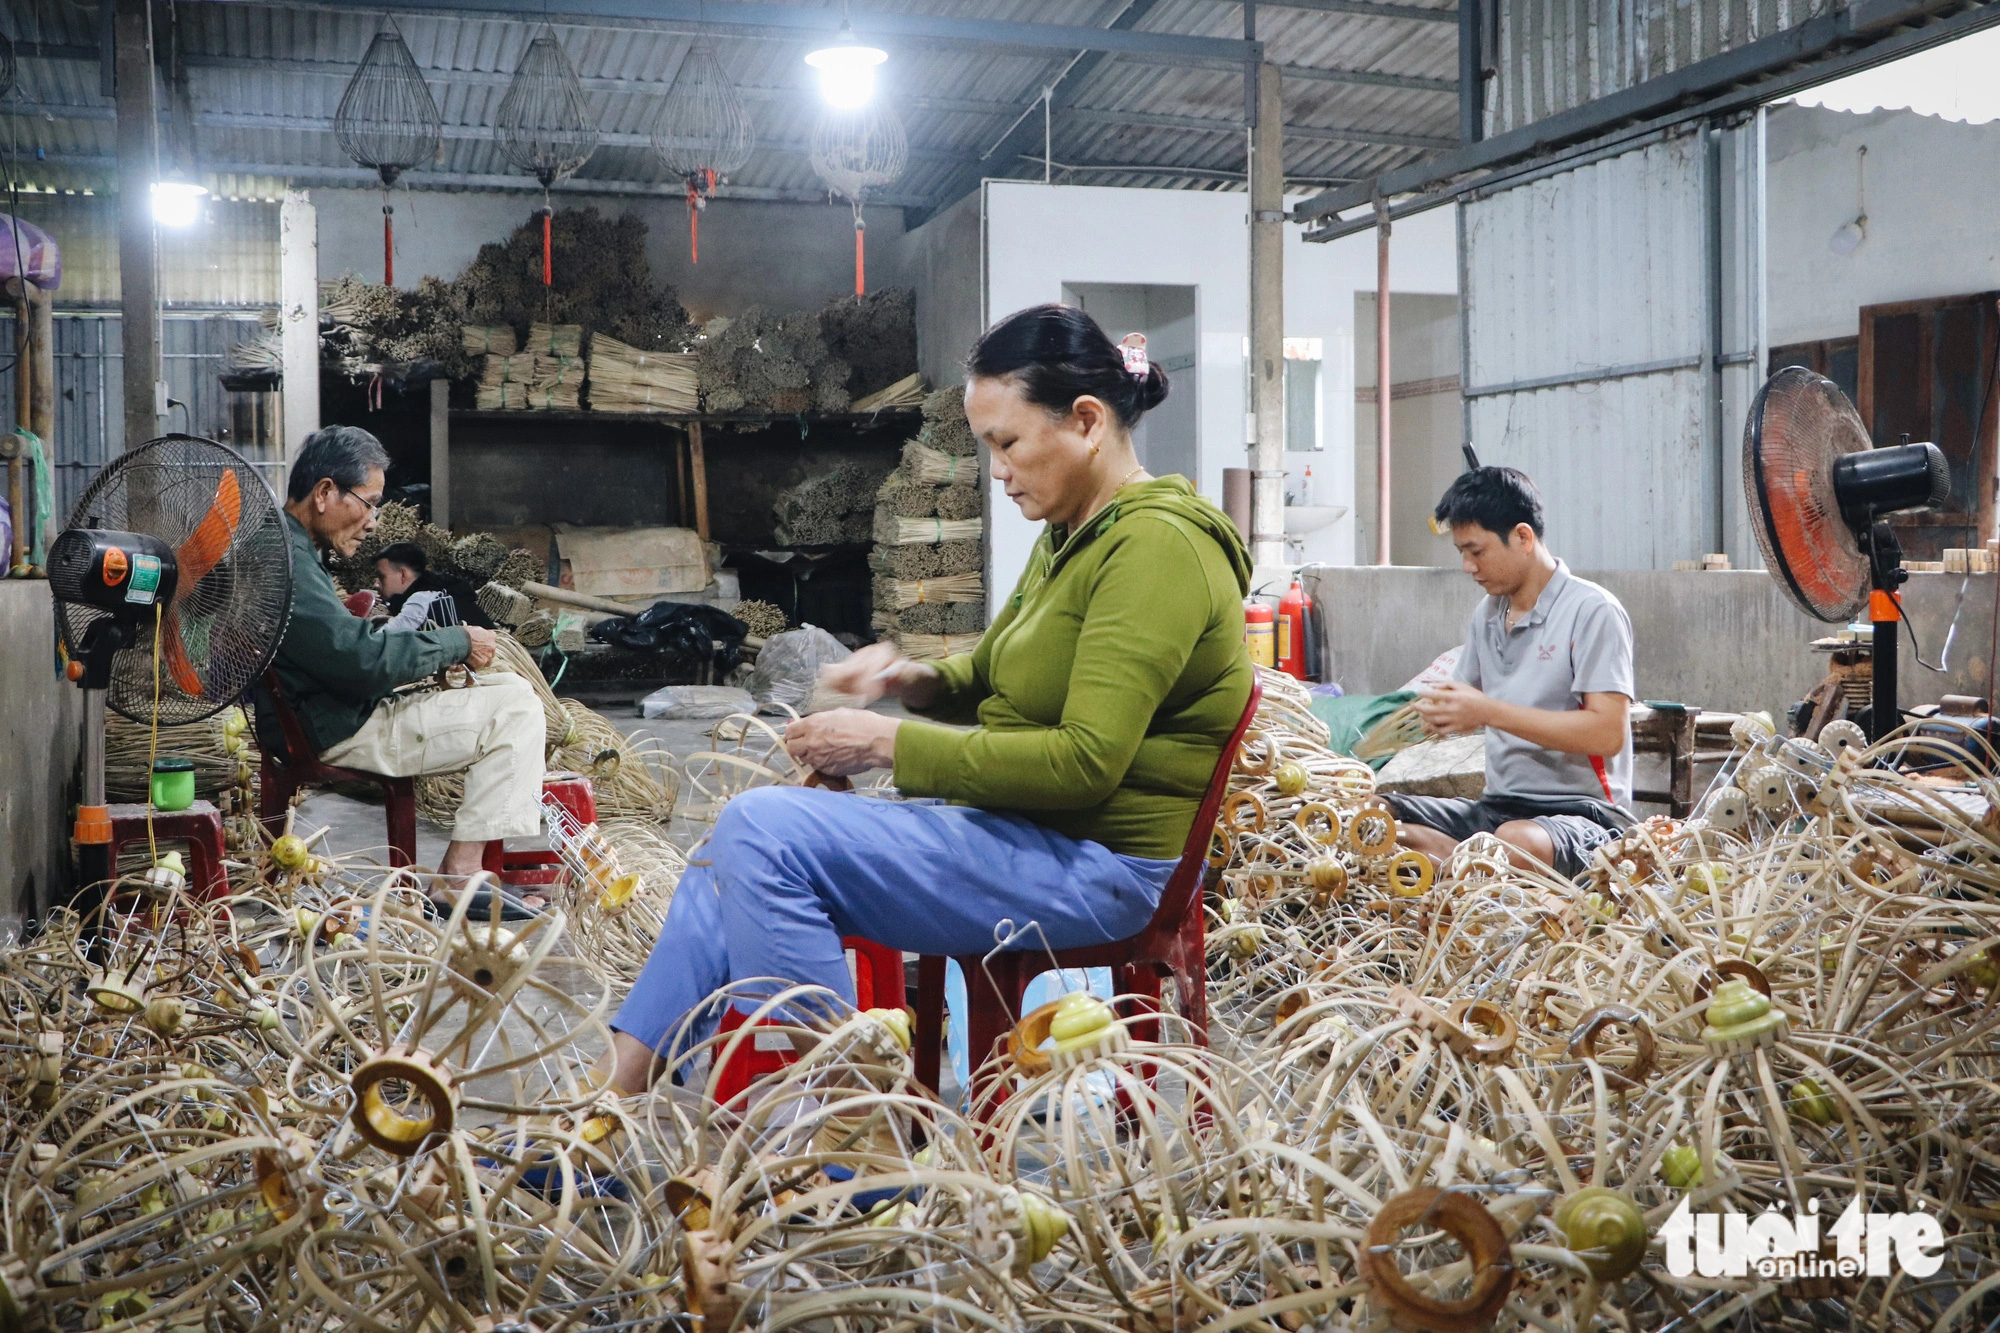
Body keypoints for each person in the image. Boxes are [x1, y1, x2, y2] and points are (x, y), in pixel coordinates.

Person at [604, 305, 1254, 1093]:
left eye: (1007, 444)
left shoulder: (1158, 547)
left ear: (1086, 420)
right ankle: (604, 1110)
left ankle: (843, 1140)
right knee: (725, 853)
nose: (1000, 471)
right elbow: (994, 676)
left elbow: (1084, 764)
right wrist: (906, 680)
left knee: (763, 831)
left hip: (1097, 867)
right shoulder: (1073, 535)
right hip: (1022, 837)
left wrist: (883, 743)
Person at [260, 425, 547, 915]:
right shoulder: (288, 563)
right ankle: (459, 875)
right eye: (368, 503)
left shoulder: (284, 547)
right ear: (326, 492)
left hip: (329, 713)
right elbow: (362, 663)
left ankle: (463, 871)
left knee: (505, 685)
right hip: (343, 728)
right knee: (518, 706)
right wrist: (457, 641)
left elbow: (342, 648)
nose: (373, 522)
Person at [1387, 466, 1635, 878]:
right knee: (1376, 819)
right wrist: (1436, 714)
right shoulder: (1488, 614)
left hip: (1581, 816)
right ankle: (1469, 865)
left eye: (1477, 551)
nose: (1468, 566)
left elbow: (1607, 734)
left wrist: (1487, 711)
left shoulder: (1592, 611)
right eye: (1461, 553)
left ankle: (1466, 865)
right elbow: (1463, 698)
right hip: (1499, 809)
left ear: (1522, 537)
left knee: (1516, 843)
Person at [374, 541, 496, 632]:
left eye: (382, 576)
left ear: (403, 575)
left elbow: (379, 642)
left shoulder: (421, 600)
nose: (376, 584)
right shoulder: (443, 591)